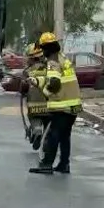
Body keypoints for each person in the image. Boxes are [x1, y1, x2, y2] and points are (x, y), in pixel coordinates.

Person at [27, 31, 83, 175]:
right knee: (65, 136)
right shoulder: (62, 59)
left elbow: (54, 84)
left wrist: (45, 93)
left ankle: (46, 164)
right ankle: (64, 164)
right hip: (73, 106)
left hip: (61, 106)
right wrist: (36, 81)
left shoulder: (53, 63)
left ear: (46, 49)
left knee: (54, 135)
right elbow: (54, 79)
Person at [22, 42, 50, 150]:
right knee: (48, 122)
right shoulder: (49, 69)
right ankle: (47, 140)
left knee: (34, 118)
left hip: (33, 103)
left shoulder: (27, 71)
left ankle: (37, 131)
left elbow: (23, 88)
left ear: (31, 58)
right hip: (49, 103)